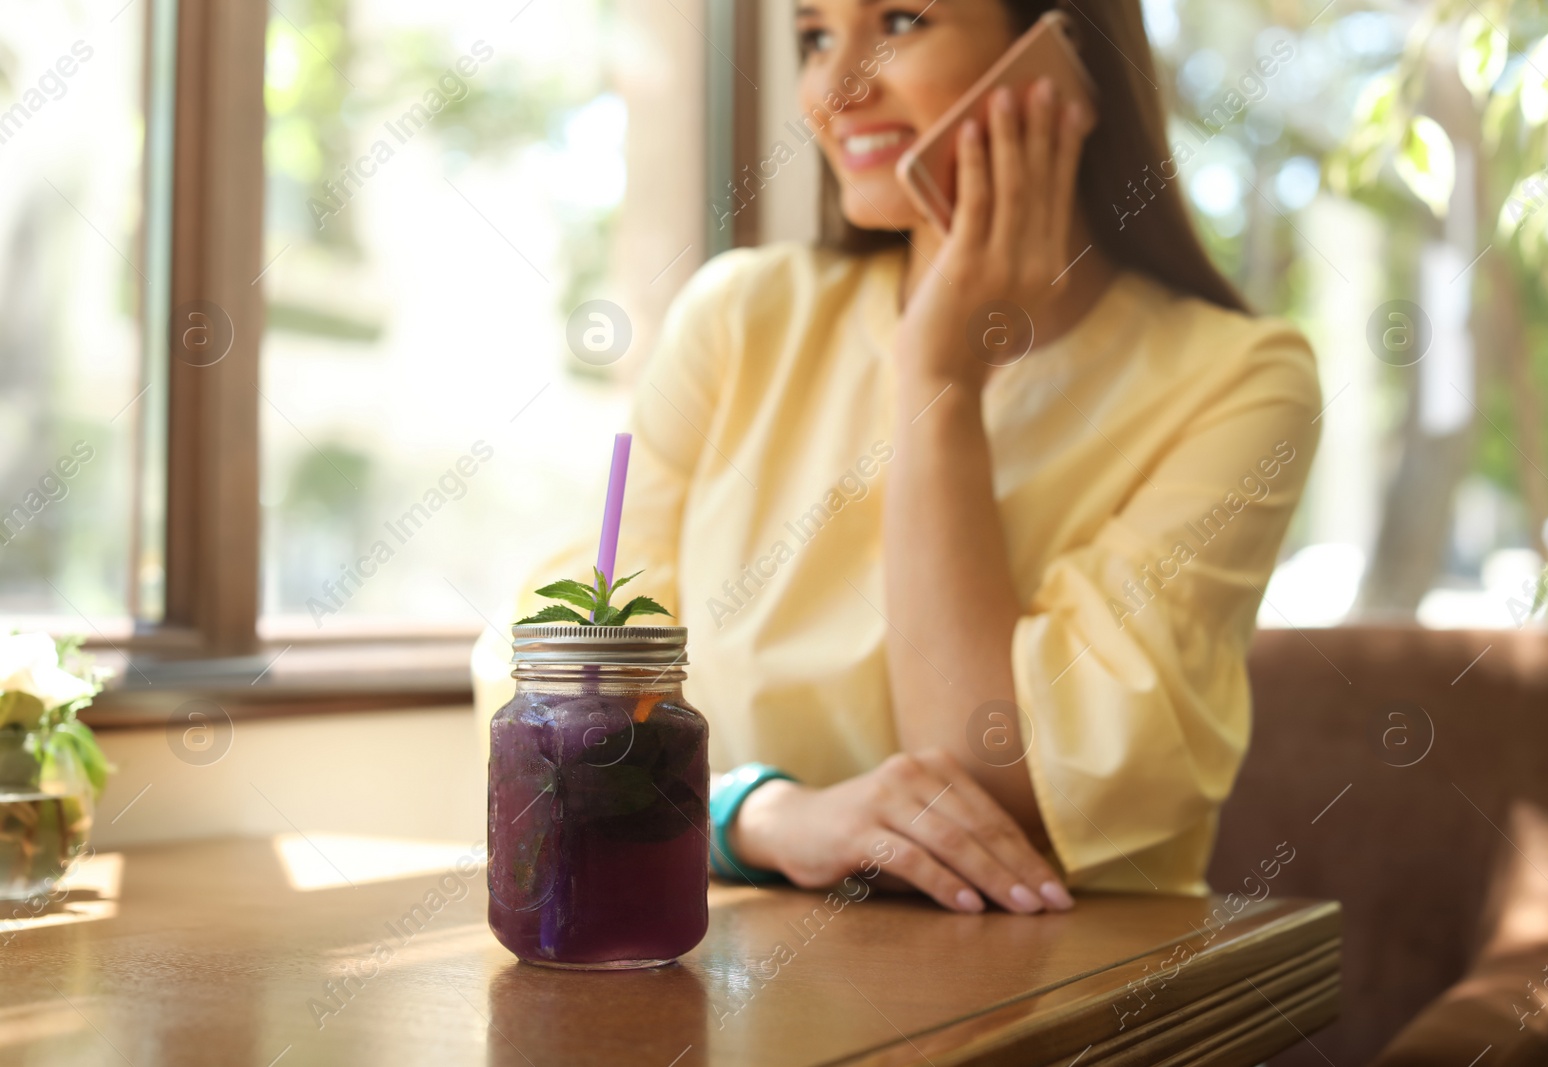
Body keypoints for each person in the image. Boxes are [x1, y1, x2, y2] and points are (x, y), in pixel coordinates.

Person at [474, 0, 1320, 915]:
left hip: (1065, 998)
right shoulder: (738, 320)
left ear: (1062, 55)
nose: (835, 91)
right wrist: (759, 815)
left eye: (903, 21)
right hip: (741, 989)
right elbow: (559, 715)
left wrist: (936, 374)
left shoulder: (1241, 380)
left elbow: (994, 784)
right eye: (814, 37)